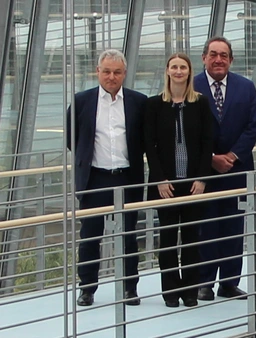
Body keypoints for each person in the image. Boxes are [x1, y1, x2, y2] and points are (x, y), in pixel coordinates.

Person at [66, 49, 147, 306]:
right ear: (97, 72)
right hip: (94, 178)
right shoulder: (81, 101)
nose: (111, 77)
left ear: (124, 74)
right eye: (107, 71)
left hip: (127, 177)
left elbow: (144, 138)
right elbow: (73, 140)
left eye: (117, 72)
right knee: (90, 235)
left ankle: (129, 288)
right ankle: (87, 288)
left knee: (128, 235)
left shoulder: (138, 101)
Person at [193, 36, 256, 301]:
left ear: (231, 59)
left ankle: (229, 283)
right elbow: (189, 129)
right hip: (203, 172)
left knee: (234, 227)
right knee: (206, 227)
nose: (218, 59)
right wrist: (211, 158)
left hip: (237, 169)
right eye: (213, 54)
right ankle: (204, 282)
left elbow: (253, 126)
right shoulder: (192, 85)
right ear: (204, 58)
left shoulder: (246, 87)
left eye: (223, 55)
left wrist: (231, 156)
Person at [144, 53, 213, 308]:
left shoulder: (200, 103)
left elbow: (208, 143)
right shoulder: (154, 105)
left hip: (194, 183)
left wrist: (203, 179)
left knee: (193, 238)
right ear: (167, 71)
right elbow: (149, 146)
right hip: (167, 186)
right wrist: (160, 179)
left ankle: (191, 291)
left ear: (189, 71)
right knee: (169, 239)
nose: (178, 71)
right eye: (174, 66)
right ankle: (170, 291)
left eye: (183, 67)